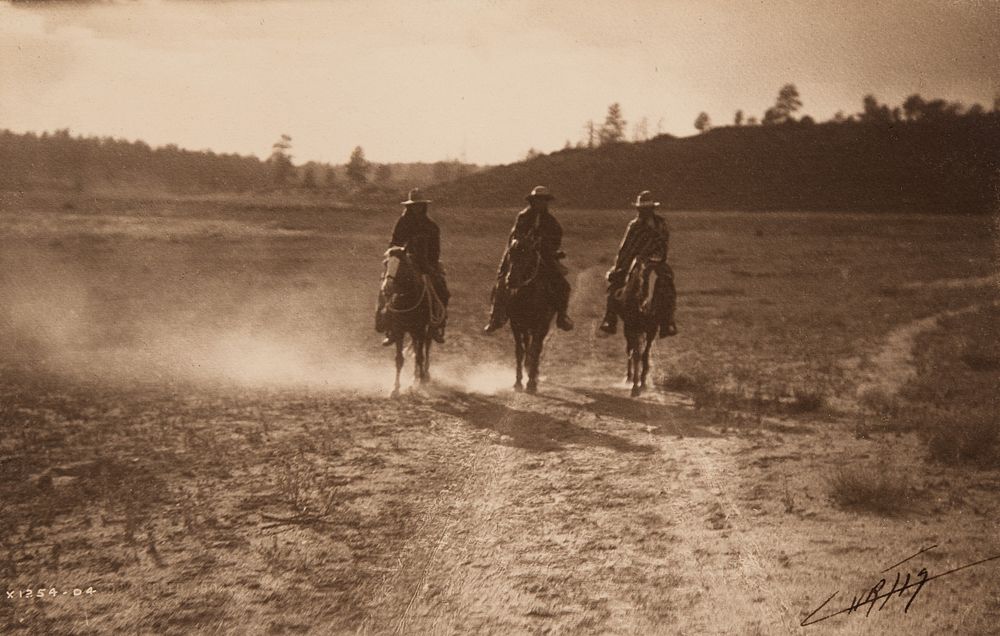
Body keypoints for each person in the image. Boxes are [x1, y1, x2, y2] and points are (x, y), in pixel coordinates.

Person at [483, 185, 574, 333]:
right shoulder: (523, 217)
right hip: (520, 255)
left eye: (543, 200)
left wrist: (545, 246)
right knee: (501, 283)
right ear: (532, 201)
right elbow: (515, 236)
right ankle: (496, 317)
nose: (540, 203)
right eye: (538, 200)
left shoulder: (551, 221)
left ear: (547, 202)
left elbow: (557, 238)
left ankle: (562, 316)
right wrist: (523, 243)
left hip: (543, 256)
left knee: (563, 285)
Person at [376, 188, 450, 346]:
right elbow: (394, 242)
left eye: (419, 205)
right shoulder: (402, 222)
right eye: (414, 205)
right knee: (387, 286)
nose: (417, 208)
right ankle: (388, 326)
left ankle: (436, 325)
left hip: (427, 263)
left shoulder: (431, 226)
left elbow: (436, 250)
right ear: (409, 207)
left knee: (442, 289)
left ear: (424, 206)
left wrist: (430, 266)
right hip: (403, 261)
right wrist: (399, 253)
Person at [598, 190, 677, 338]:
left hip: (657, 261)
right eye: (641, 209)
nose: (643, 211)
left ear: (652, 209)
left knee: (668, 286)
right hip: (635, 261)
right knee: (615, 285)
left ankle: (668, 321)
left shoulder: (661, 224)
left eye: (647, 208)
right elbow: (626, 247)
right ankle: (610, 319)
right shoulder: (634, 225)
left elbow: (664, 243)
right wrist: (619, 265)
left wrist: (658, 256)